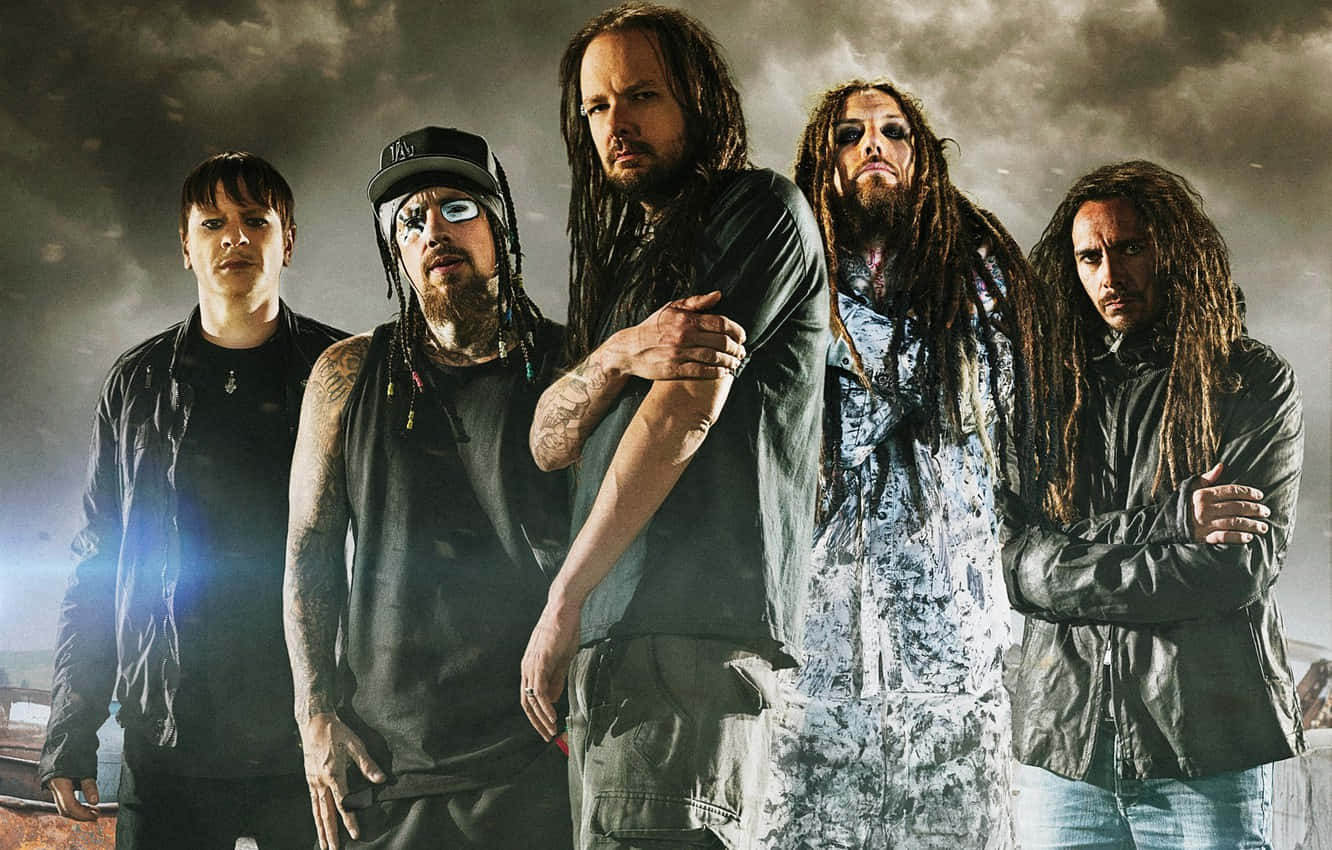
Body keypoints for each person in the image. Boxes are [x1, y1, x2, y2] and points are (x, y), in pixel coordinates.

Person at [520, 4, 828, 847]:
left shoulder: (756, 210)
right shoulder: (631, 268)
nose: (616, 124)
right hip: (624, 646)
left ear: (700, 99)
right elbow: (548, 440)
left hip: (684, 638)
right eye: (596, 107)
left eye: (641, 95)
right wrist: (617, 351)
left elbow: (682, 414)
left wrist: (563, 601)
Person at [760, 79, 1040, 849]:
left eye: (892, 132)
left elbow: (974, 402)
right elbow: (796, 439)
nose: (871, 146)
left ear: (922, 158)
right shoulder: (782, 290)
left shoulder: (978, 282)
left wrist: (833, 335)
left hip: (953, 665)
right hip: (812, 668)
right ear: (824, 163)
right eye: (849, 136)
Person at [37, 152, 345, 848]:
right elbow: (97, 561)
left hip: (306, 741)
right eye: (212, 223)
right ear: (186, 246)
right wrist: (71, 727)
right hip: (167, 740)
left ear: (286, 239)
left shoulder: (341, 371)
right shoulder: (137, 384)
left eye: (254, 220)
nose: (234, 237)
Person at [282, 126, 576, 850]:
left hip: (537, 752)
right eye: (410, 220)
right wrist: (315, 713)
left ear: (500, 227)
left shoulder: (576, 364)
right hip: (384, 770)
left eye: (456, 209)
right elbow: (308, 549)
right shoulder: (345, 375)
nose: (432, 230)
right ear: (395, 252)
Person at [1003, 160, 1305, 849]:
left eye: (1132, 247)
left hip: (1206, 752)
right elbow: (1007, 563)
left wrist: (1061, 568)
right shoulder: (1044, 395)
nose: (1111, 274)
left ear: (1176, 250)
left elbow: (1230, 571)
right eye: (1091, 255)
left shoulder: (1247, 380)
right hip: (1065, 758)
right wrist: (1170, 522)